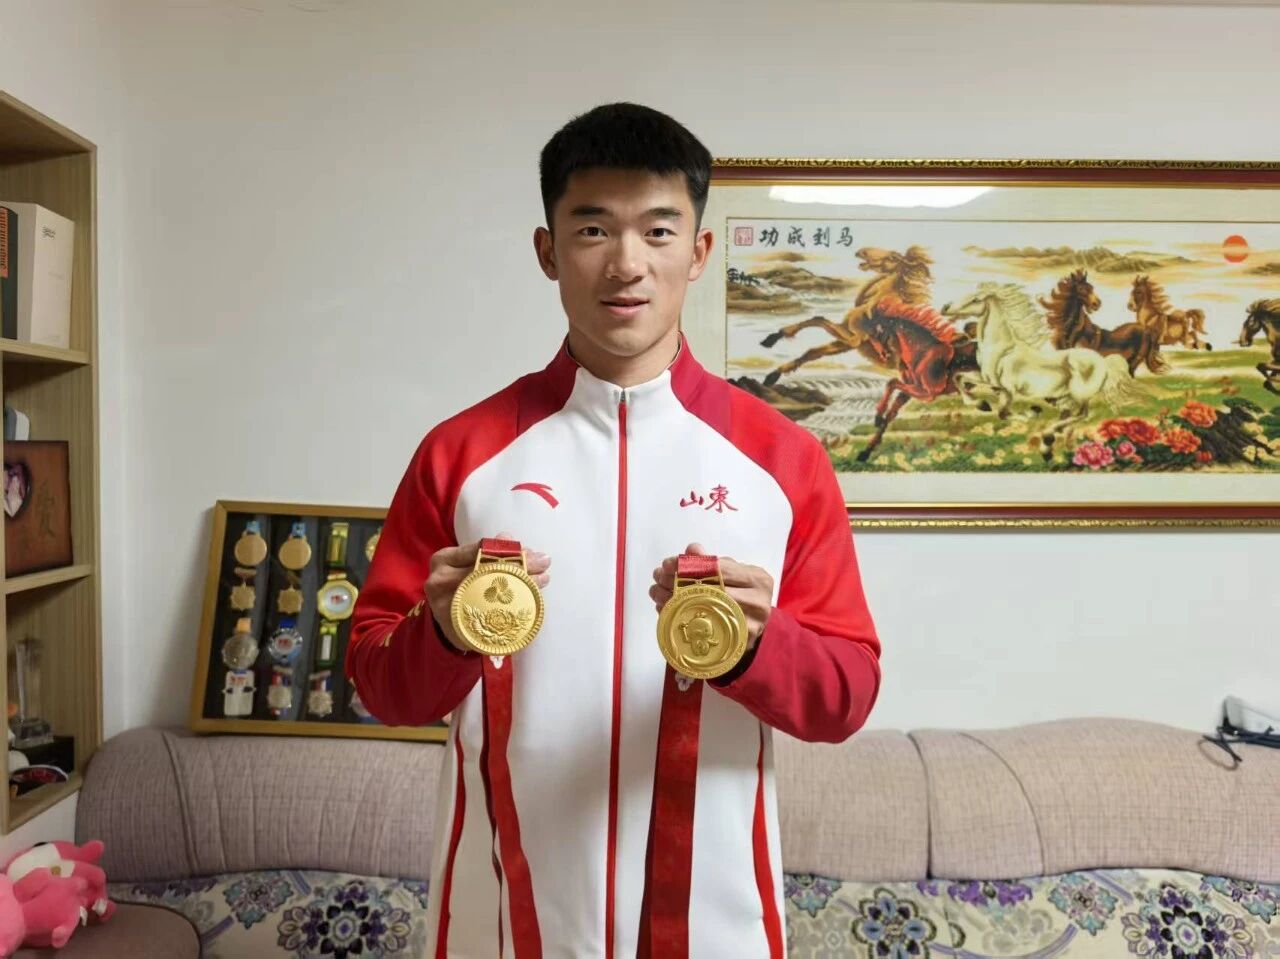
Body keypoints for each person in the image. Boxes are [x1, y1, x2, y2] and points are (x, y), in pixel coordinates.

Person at [346, 102, 881, 958]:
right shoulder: (463, 453)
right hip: (502, 922)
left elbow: (847, 695)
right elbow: (381, 684)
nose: (627, 263)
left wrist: (756, 644)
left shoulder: (782, 460)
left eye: (658, 231)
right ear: (548, 250)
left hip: (717, 928)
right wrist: (442, 633)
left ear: (698, 252)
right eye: (593, 229)